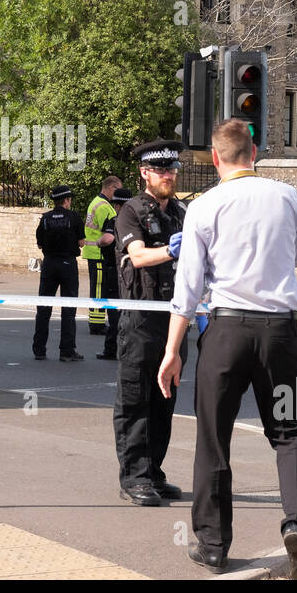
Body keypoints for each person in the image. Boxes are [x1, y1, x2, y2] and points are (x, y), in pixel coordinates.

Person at [157, 119, 297, 578]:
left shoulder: (204, 206)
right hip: (281, 336)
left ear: (214, 158)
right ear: (254, 153)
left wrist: (172, 351)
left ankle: (212, 545)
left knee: (214, 440)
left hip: (226, 333)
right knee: (291, 435)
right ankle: (296, 527)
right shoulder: (286, 196)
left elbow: (187, 288)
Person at [113, 140, 187, 507]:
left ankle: (154, 472)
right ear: (145, 173)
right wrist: (171, 250)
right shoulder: (130, 211)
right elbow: (138, 256)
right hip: (141, 318)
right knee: (135, 399)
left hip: (175, 319)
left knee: (164, 401)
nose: (168, 176)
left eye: (172, 170)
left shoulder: (181, 211)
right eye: (160, 170)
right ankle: (135, 477)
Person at [32, 185, 86, 362]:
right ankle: (67, 351)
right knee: (68, 308)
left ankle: (39, 349)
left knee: (44, 307)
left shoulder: (46, 218)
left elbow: (39, 243)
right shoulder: (74, 217)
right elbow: (81, 243)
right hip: (67, 264)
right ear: (67, 200)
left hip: (49, 264)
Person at [82, 176, 122, 346]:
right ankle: (97, 324)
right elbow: (111, 231)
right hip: (99, 253)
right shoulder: (105, 207)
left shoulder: (96, 202)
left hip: (94, 252)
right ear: (111, 188)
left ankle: (96, 321)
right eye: (117, 190)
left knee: (97, 288)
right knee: (99, 289)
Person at [96, 186, 130, 360]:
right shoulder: (137, 221)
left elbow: (107, 239)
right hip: (132, 270)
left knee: (114, 309)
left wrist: (98, 242)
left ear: (117, 205)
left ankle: (111, 348)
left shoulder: (115, 221)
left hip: (114, 269)